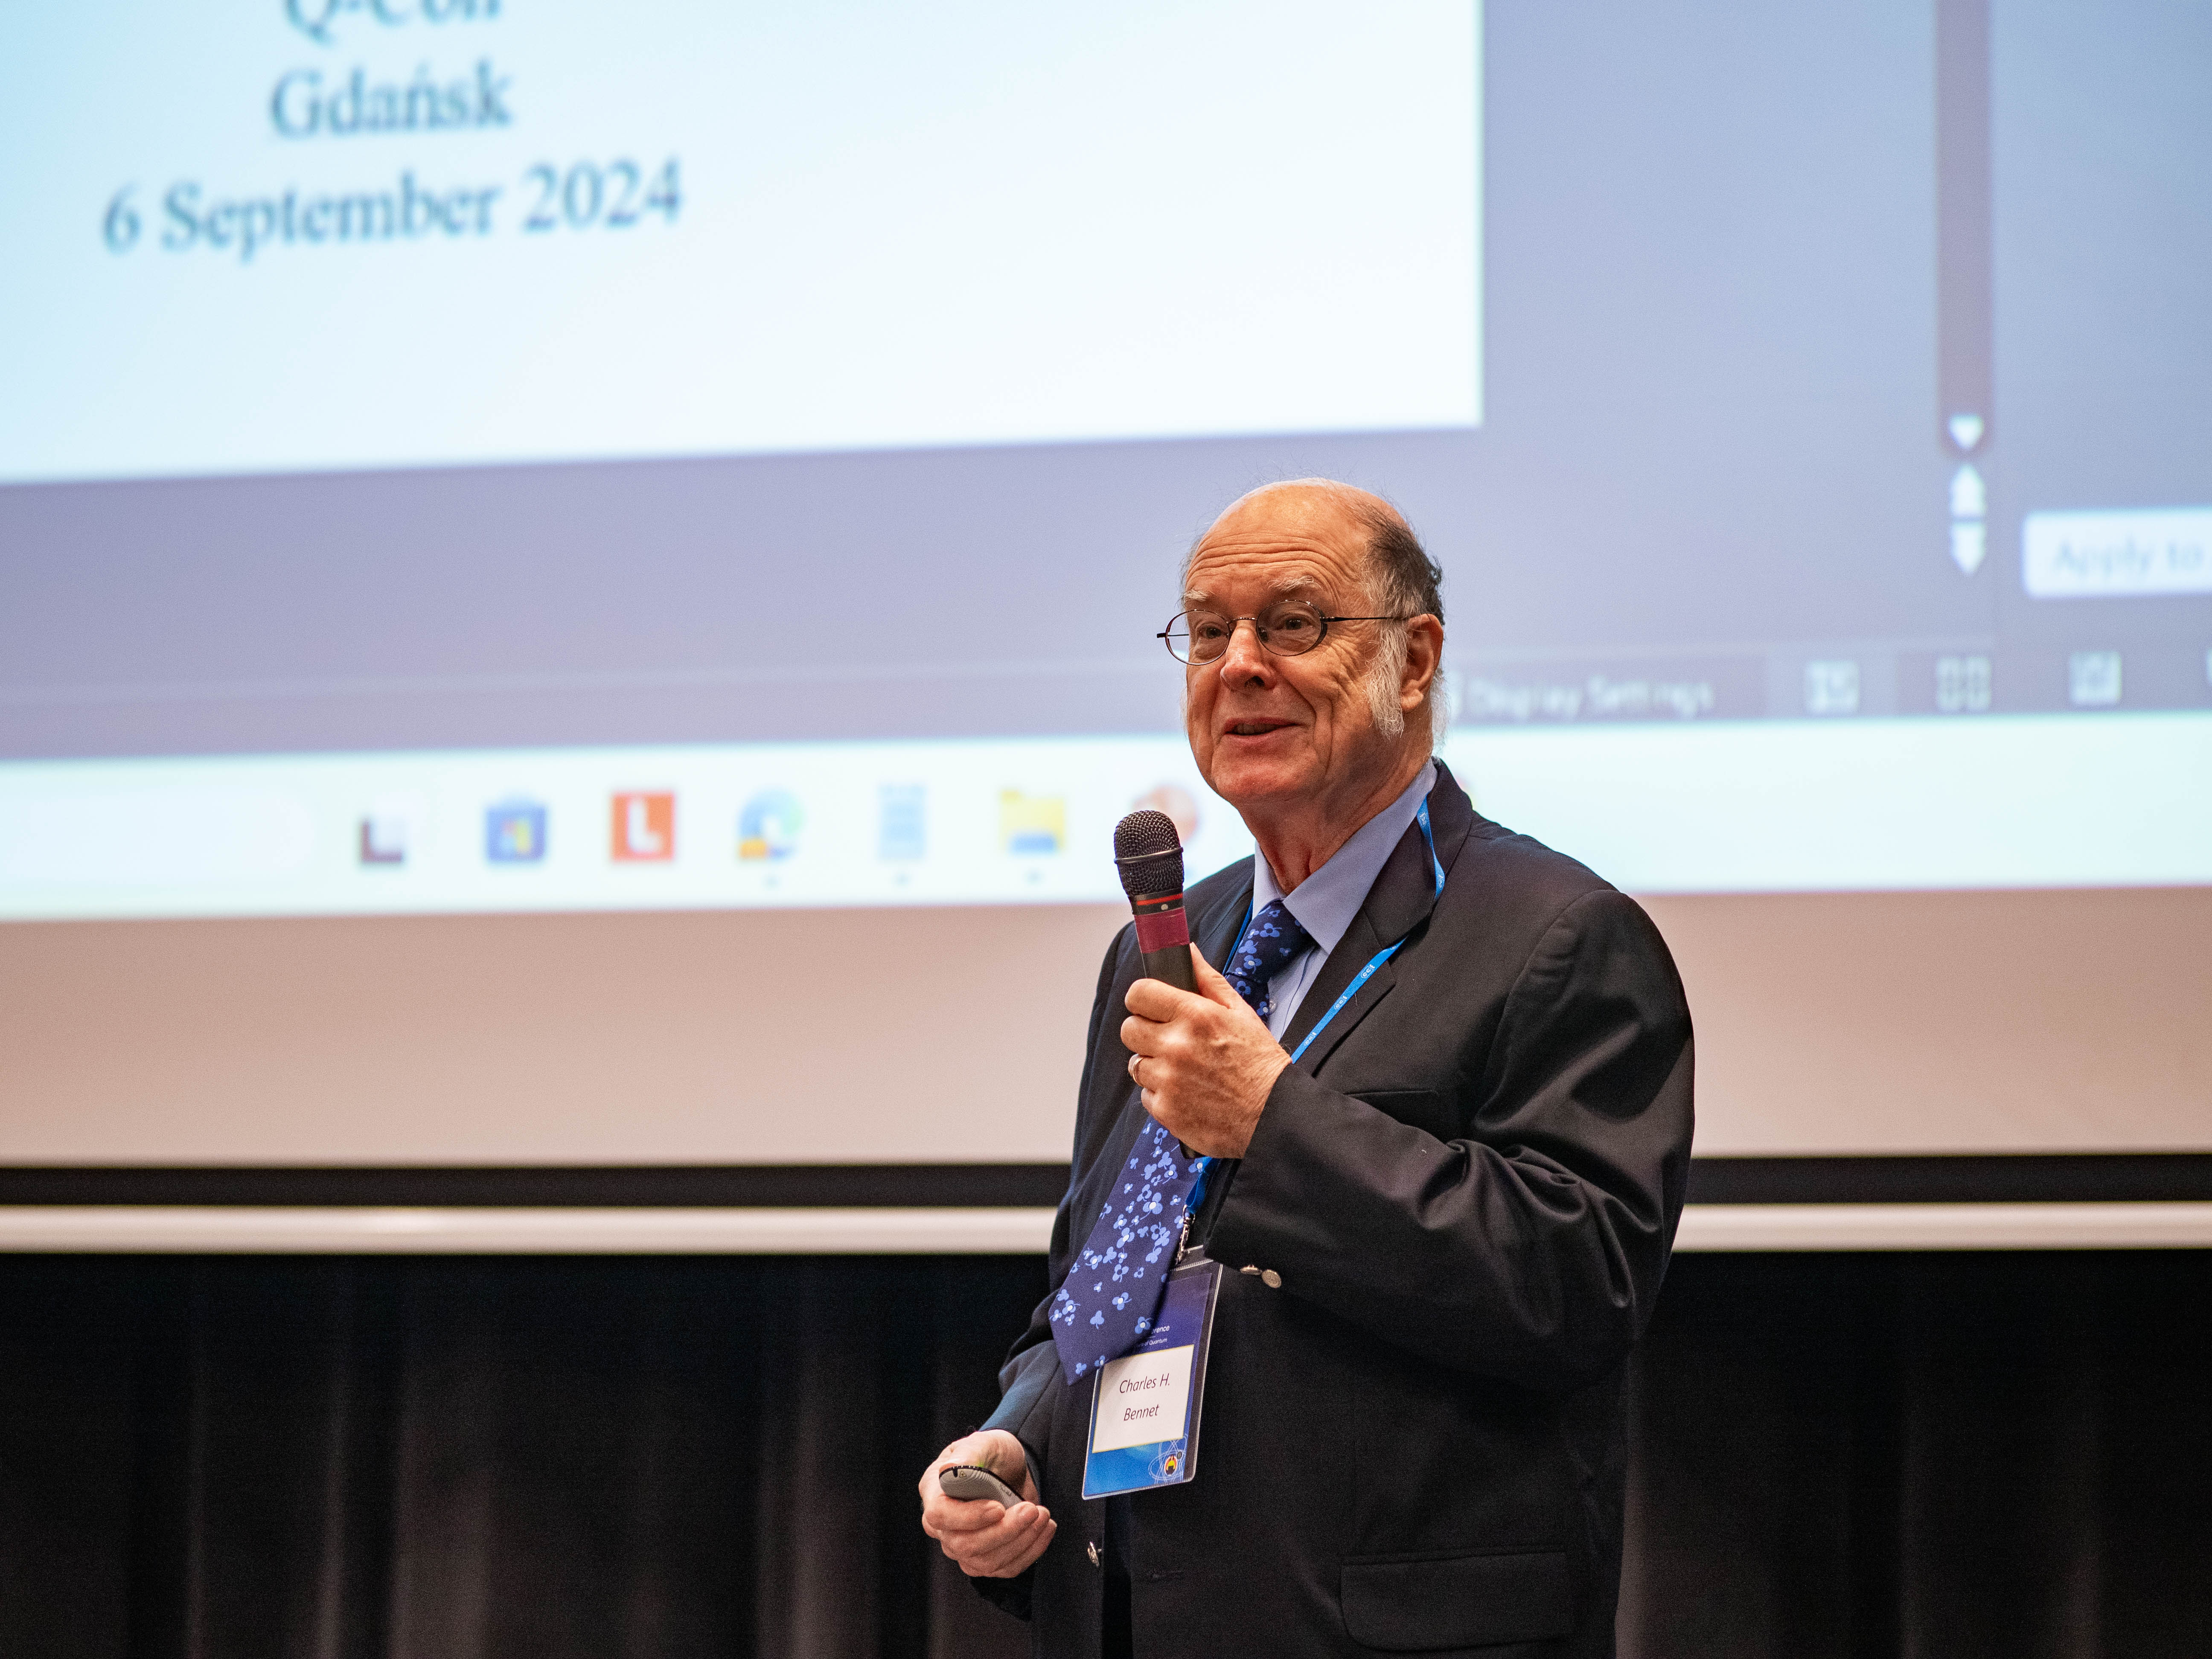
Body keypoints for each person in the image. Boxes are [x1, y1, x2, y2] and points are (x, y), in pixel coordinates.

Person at [918, 480, 1694, 1657]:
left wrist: (1274, 1120)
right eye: (1208, 631)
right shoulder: (1167, 940)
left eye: (1293, 624)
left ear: (1414, 661)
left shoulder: (1557, 936)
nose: (1239, 666)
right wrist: (1023, 1431)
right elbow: (1110, 1269)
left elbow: (1578, 1288)